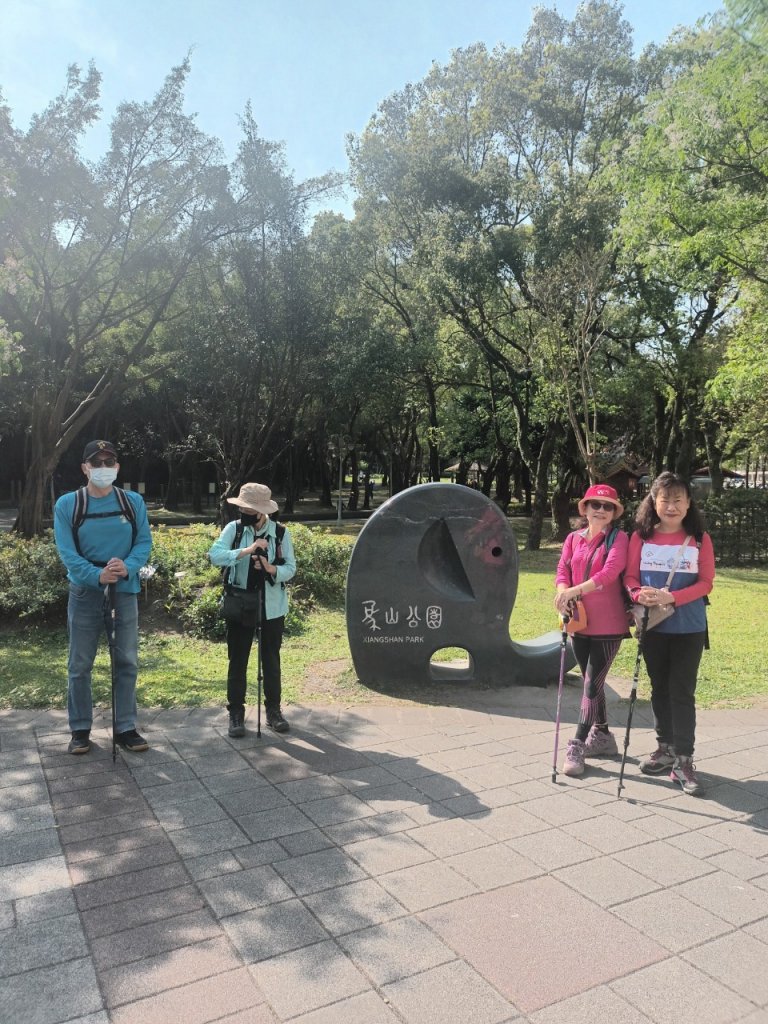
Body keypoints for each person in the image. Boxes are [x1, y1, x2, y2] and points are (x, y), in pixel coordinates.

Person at [53, 440, 152, 755]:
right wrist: (95, 575)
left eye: (110, 463)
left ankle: (126, 728)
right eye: (97, 463)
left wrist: (127, 567)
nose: (104, 468)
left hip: (124, 589)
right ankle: (80, 729)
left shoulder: (132, 501)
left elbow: (144, 543)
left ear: (118, 468)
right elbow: (67, 554)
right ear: (85, 467)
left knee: (127, 660)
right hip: (85, 592)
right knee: (80, 663)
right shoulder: (69, 505)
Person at [624, 471, 714, 796]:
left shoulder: (700, 539)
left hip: (689, 627)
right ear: (654, 501)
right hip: (654, 627)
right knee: (659, 688)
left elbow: (706, 584)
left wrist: (671, 597)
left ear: (689, 504)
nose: (672, 506)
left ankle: (685, 759)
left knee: (681, 691)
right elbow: (630, 577)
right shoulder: (641, 537)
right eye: (665, 499)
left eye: (678, 499)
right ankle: (665, 748)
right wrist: (638, 595)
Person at [208, 482, 296, 737]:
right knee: (238, 660)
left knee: (271, 660)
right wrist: (248, 550)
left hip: (272, 607)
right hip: (240, 603)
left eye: (248, 508)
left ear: (261, 511)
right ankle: (236, 713)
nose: (243, 512)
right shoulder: (234, 530)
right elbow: (214, 555)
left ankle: (273, 711)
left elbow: (291, 568)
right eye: (242, 507)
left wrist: (271, 569)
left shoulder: (280, 533)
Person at [554, 483, 630, 777]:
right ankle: (603, 736)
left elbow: (609, 573)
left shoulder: (619, 539)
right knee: (592, 682)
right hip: (577, 620)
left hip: (609, 624)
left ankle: (577, 743)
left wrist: (575, 589)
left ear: (614, 513)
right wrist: (563, 591)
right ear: (584, 508)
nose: (600, 510)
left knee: (591, 683)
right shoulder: (573, 539)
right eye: (595, 505)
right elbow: (563, 569)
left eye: (607, 506)